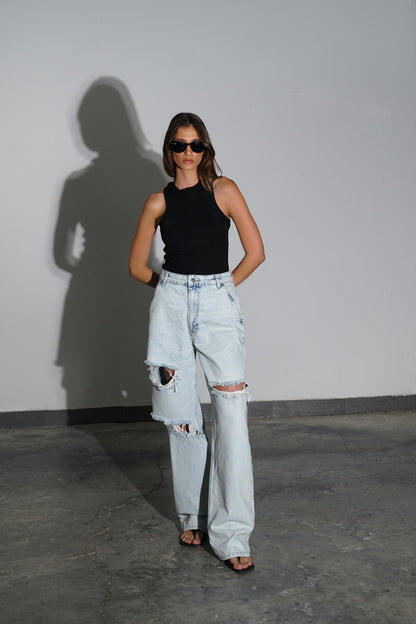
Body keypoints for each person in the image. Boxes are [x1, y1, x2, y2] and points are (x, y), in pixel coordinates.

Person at [129, 112, 265, 573]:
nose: (188, 153)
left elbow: (256, 252)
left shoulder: (224, 190)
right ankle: (195, 517)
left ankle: (233, 534)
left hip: (217, 306)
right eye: (179, 145)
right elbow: (137, 267)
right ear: (168, 150)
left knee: (231, 416)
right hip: (170, 309)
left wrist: (217, 290)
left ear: (206, 149)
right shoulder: (157, 201)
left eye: (196, 145)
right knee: (182, 419)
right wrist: (173, 289)